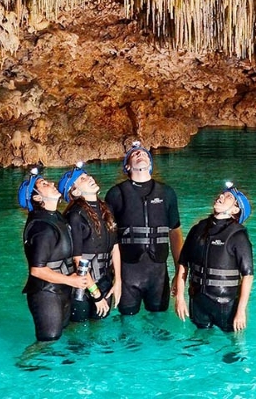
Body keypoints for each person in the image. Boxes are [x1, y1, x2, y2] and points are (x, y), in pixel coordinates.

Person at [105, 141, 183, 316]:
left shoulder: (167, 193)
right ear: (127, 166)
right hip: (128, 271)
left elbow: (175, 233)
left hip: (158, 272)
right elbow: (109, 238)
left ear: (150, 164)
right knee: (127, 324)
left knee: (159, 323)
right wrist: (115, 276)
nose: (140, 154)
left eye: (144, 153)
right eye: (134, 154)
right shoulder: (116, 194)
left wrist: (179, 272)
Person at [18, 168, 90, 341]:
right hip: (45, 293)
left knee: (62, 335)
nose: (51, 183)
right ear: (36, 198)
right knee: (48, 340)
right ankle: (27, 365)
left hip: (60, 289)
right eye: (44, 184)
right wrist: (71, 280)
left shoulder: (56, 217)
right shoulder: (41, 226)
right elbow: (37, 270)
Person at [174, 182, 254, 332]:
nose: (221, 196)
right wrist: (180, 297)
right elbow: (183, 264)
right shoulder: (198, 229)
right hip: (198, 301)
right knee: (198, 343)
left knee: (231, 349)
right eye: (221, 194)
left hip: (226, 304)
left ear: (236, 209)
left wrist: (241, 311)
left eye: (228, 196)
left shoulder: (238, 235)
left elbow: (248, 275)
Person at [58, 162, 122, 322]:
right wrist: (96, 294)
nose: (90, 178)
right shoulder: (75, 215)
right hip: (83, 287)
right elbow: (78, 259)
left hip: (105, 280)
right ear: (76, 191)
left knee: (99, 331)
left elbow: (114, 247)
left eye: (87, 175)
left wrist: (118, 280)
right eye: (82, 179)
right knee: (79, 334)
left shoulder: (106, 208)